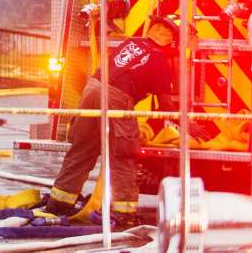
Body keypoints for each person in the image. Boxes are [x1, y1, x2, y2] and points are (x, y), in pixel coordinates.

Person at [40, 15, 197, 226]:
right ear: (172, 39)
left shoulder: (132, 42)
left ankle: (59, 204)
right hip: (117, 99)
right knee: (123, 155)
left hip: (92, 89)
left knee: (82, 149)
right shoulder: (159, 60)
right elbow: (166, 105)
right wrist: (189, 124)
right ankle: (123, 213)